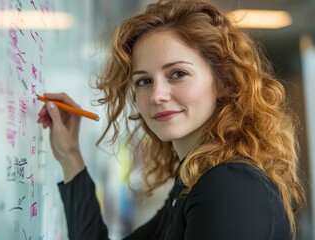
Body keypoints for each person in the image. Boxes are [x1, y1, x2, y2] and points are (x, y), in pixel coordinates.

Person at [37, 0, 306, 239]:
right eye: (143, 81)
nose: (157, 95)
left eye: (177, 74)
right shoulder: (193, 180)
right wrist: (70, 155)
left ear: (224, 82)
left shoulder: (230, 185)